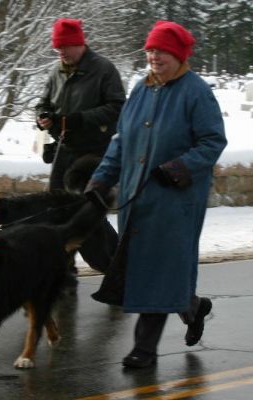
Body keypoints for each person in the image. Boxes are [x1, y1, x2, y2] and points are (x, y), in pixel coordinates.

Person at [85, 21, 227, 368]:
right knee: (152, 270)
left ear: (178, 55)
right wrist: (101, 180)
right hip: (136, 199)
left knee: (157, 269)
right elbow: (121, 141)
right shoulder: (141, 89)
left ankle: (144, 350)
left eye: (161, 51)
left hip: (174, 200)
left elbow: (213, 142)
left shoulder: (196, 92)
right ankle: (193, 307)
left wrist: (179, 167)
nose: (154, 56)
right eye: (150, 50)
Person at [36, 18, 126, 274]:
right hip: (64, 149)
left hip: (94, 152)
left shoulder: (104, 69)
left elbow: (118, 107)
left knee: (88, 210)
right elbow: (44, 101)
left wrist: (80, 120)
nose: (61, 53)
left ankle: (116, 263)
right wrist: (43, 114)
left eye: (65, 48)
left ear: (80, 44)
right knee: (56, 208)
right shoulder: (57, 70)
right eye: (57, 49)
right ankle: (64, 267)